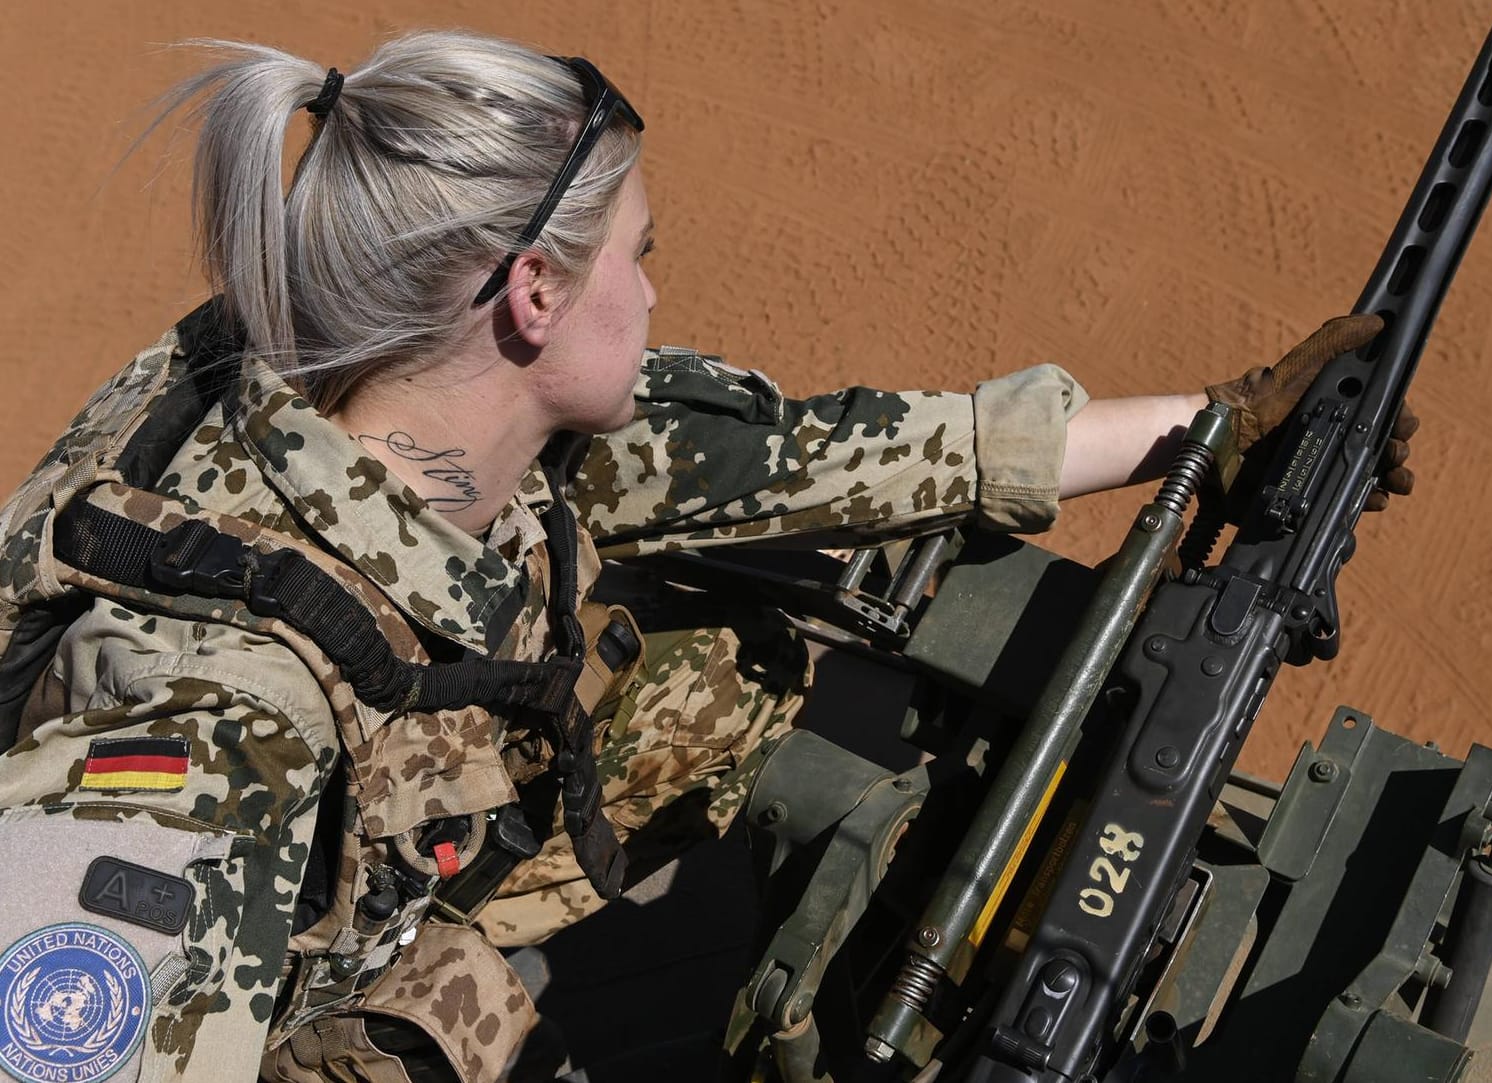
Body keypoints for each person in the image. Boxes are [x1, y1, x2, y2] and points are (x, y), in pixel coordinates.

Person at [0, 31, 1413, 1083]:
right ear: (535, 294)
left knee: (721, 672)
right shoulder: (209, 740)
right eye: (639, 253)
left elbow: (805, 454)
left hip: (347, 858)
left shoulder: (370, 352)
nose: (657, 287)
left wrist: (1199, 426)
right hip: (247, 961)